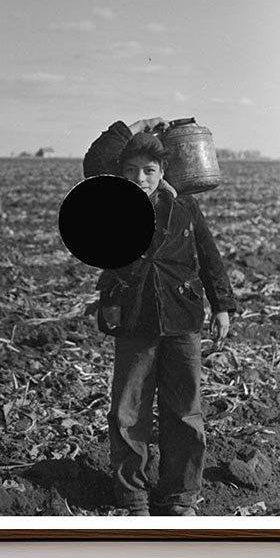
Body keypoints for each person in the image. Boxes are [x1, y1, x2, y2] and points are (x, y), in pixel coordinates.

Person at [83, 115, 237, 516]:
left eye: (149, 171)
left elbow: (209, 256)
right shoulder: (113, 204)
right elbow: (94, 162)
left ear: (163, 171)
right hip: (134, 318)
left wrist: (221, 306)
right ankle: (132, 498)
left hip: (183, 317)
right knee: (128, 411)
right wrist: (132, 126)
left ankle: (179, 496)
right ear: (120, 172)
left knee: (185, 410)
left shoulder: (185, 205)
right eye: (131, 170)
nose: (140, 178)